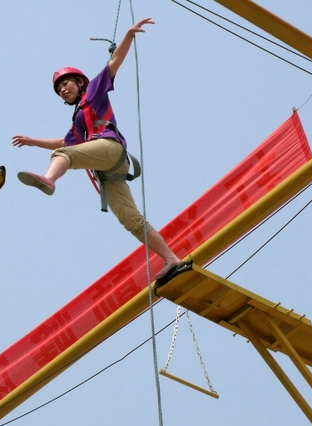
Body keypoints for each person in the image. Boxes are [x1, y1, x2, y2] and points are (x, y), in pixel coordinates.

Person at [12, 17, 183, 279]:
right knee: (131, 220)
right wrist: (34, 141)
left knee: (62, 157)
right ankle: (172, 259)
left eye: (65, 84)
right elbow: (66, 141)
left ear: (79, 81)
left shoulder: (94, 90)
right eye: (59, 89)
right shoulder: (78, 119)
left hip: (110, 150)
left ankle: (48, 179)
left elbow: (114, 63)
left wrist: (128, 34)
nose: (62, 90)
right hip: (106, 170)